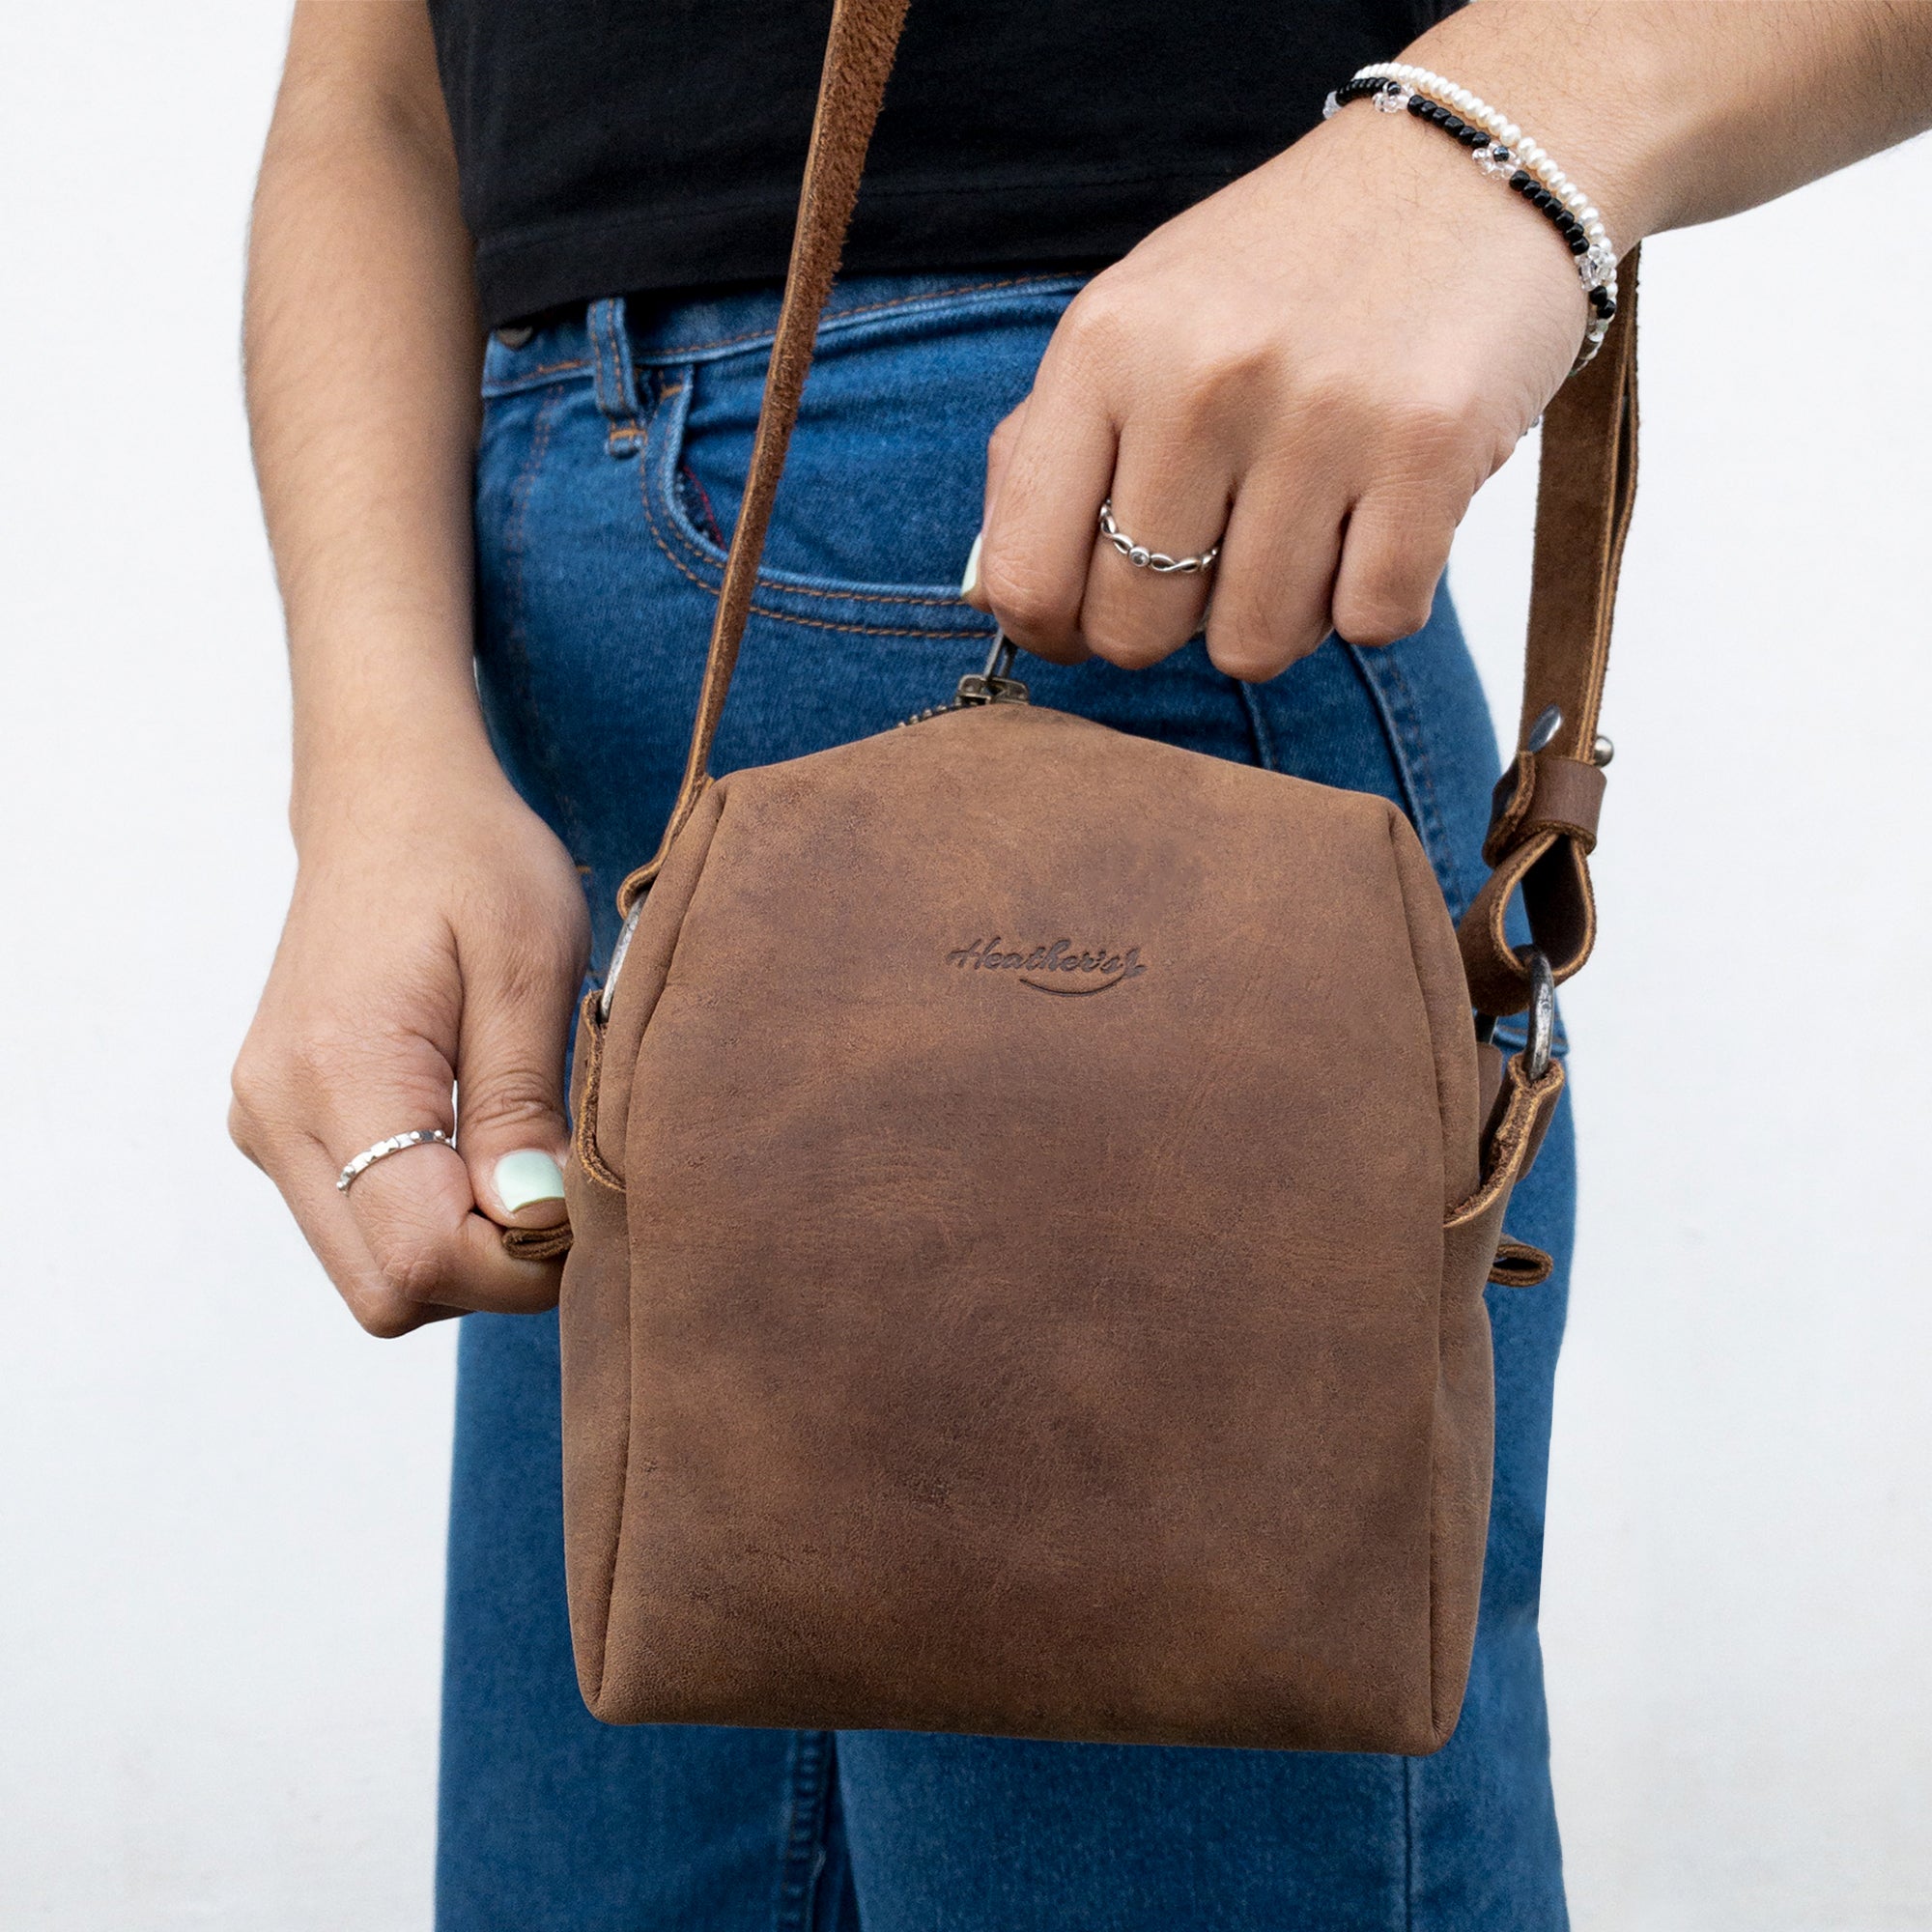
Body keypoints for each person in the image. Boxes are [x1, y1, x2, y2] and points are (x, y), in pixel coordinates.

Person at [229, 4, 1932, 1925]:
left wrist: (1507, 131)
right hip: (640, 881)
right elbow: (371, 77)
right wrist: (372, 750)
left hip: (1140, 585)